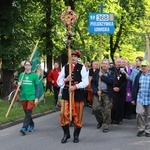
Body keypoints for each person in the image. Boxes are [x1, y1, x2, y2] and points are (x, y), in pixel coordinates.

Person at [57, 50, 88, 143]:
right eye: (72, 56)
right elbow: (59, 81)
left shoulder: (81, 68)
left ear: (77, 58)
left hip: (78, 93)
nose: (73, 58)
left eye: (75, 56)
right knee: (63, 113)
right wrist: (66, 79)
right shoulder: (65, 67)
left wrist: (75, 86)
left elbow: (85, 82)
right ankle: (66, 134)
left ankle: (76, 135)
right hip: (67, 93)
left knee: (78, 115)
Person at [91, 59, 115, 132]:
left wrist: (102, 77)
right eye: (103, 63)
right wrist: (96, 91)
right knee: (95, 108)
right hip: (98, 93)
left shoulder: (111, 73)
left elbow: (111, 82)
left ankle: (106, 125)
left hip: (107, 94)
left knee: (107, 110)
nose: (104, 65)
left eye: (106, 64)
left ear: (108, 65)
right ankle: (100, 121)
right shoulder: (97, 72)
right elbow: (93, 83)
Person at [18, 61, 40, 135]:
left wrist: (36, 97)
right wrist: (19, 85)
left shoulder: (34, 75)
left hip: (31, 96)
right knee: (27, 113)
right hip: (23, 96)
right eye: (25, 65)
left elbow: (37, 87)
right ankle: (32, 124)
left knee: (28, 112)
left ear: (31, 66)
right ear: (24, 66)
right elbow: (19, 87)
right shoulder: (21, 75)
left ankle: (24, 127)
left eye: (28, 65)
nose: (27, 66)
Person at [132, 60, 150, 137]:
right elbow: (135, 87)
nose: (143, 67)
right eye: (142, 66)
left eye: (145, 66)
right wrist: (133, 98)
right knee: (139, 113)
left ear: (148, 67)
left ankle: (148, 130)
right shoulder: (138, 75)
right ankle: (141, 129)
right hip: (140, 97)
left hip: (149, 98)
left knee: (149, 115)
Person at [111, 58, 127, 124]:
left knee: (120, 105)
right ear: (115, 62)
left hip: (121, 90)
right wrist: (113, 87)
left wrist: (120, 88)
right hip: (113, 90)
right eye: (118, 62)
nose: (119, 63)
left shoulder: (123, 70)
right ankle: (112, 118)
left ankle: (119, 119)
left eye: (120, 62)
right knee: (113, 105)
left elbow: (125, 81)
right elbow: (109, 80)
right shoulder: (111, 70)